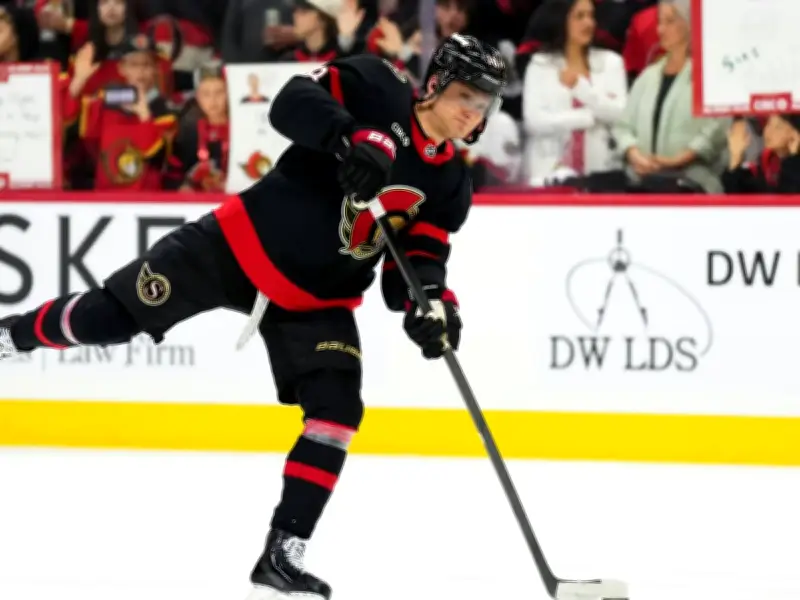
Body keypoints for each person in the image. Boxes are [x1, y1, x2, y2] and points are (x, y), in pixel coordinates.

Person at [0, 33, 507, 600]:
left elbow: (415, 265)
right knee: (110, 318)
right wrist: (349, 136)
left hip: (318, 300)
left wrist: (431, 304)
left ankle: (282, 554)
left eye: (484, 102)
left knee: (338, 412)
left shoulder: (450, 184)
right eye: (466, 94)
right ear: (435, 83)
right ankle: (10, 335)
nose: (473, 111)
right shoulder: (377, 86)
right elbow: (289, 102)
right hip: (235, 247)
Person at [612, 0, 728, 193]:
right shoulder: (648, 76)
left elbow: (718, 126)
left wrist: (680, 159)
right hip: (644, 184)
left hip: (693, 185)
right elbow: (623, 126)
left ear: (689, 23)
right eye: (659, 22)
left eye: (670, 21)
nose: (661, 29)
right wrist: (634, 154)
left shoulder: (709, 74)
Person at [521, 0, 627, 186]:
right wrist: (585, 118)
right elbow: (534, 121)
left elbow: (621, 113)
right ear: (562, 20)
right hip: (549, 174)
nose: (588, 23)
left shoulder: (611, 62)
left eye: (591, 16)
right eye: (579, 16)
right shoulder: (541, 64)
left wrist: (582, 89)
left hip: (600, 173)